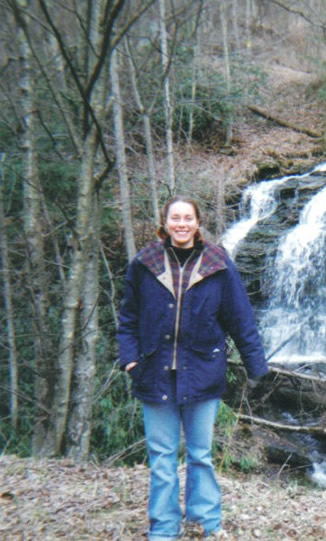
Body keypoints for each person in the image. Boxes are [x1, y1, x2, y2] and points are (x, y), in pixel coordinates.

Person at [117, 196, 268, 540]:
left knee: (201, 455)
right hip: (154, 374)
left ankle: (205, 522)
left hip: (203, 370)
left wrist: (256, 365)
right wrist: (130, 360)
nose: (181, 224)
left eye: (188, 218)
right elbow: (128, 318)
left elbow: (240, 317)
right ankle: (164, 529)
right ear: (165, 222)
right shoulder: (145, 263)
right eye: (175, 218)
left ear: (198, 223)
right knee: (163, 458)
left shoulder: (217, 263)